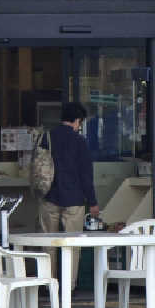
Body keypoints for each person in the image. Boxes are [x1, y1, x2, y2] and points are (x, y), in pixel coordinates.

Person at [38, 101, 100, 288]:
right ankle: (69, 286)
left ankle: (48, 283)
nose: (79, 125)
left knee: (48, 242)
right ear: (76, 120)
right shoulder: (79, 141)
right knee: (72, 245)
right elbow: (85, 175)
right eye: (79, 122)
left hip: (49, 196)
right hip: (74, 200)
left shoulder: (46, 137)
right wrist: (93, 202)